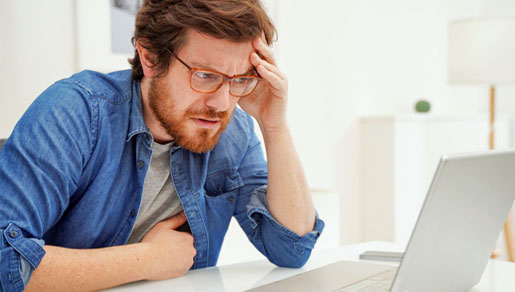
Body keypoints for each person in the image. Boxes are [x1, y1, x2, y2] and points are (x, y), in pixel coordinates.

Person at [0, 0, 324, 291]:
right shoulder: (75, 111)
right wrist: (145, 260)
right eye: (206, 75)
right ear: (150, 58)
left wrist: (274, 125)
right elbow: (5, 263)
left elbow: (292, 249)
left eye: (239, 79)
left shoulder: (231, 130)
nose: (222, 103)